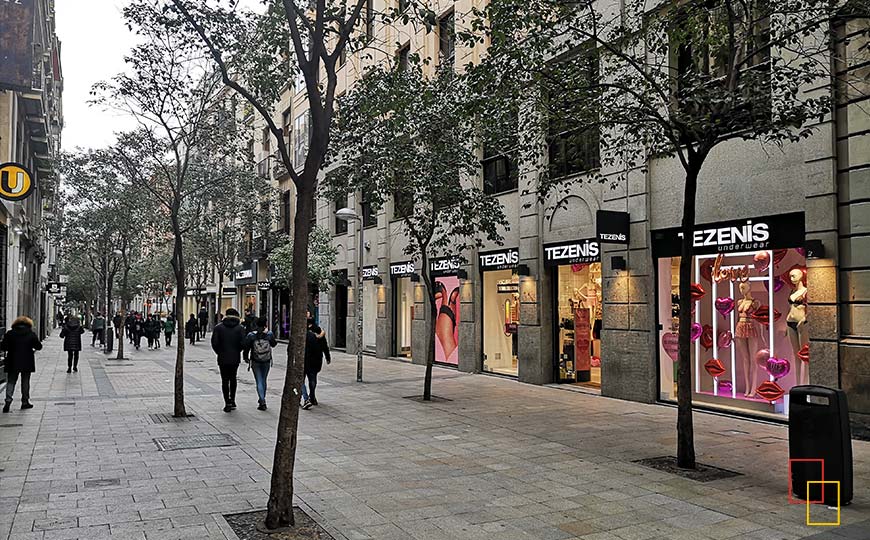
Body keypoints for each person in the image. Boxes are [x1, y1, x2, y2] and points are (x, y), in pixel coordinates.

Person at [2, 316, 42, 412]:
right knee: (25, 381)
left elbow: (3, 346)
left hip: (13, 360)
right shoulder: (31, 334)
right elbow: (39, 346)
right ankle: (25, 402)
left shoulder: (10, 333)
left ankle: (8, 400)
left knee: (11, 381)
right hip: (26, 360)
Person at [211, 308, 246, 412]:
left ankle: (227, 402)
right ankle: (233, 400)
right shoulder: (240, 328)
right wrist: (237, 351)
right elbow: (243, 343)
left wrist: (220, 352)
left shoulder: (218, 328)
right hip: (235, 357)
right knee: (233, 378)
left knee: (225, 380)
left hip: (222, 357)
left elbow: (214, 343)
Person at [243, 316, 277, 411]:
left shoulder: (251, 335)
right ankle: (262, 398)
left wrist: (245, 357)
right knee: (264, 379)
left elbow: (246, 347)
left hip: (255, 360)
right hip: (266, 360)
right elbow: (274, 344)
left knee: (259, 380)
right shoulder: (269, 334)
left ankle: (262, 400)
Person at [301, 318, 330, 410]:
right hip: (316, 359)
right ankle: (312, 396)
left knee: (301, 379)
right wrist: (327, 356)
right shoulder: (319, 332)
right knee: (313, 378)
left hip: (305, 360)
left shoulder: (304, 334)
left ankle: (305, 398)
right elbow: (325, 345)